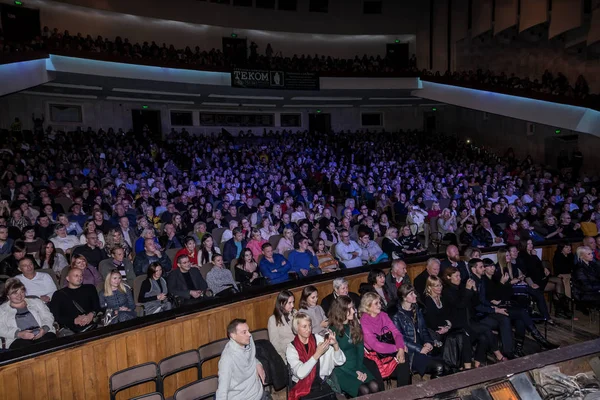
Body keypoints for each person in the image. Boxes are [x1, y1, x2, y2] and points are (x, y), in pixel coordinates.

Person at [441, 267, 507, 364]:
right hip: (458, 323)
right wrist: (468, 290)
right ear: (448, 277)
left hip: (469, 320)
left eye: (459, 275)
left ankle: (477, 363)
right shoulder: (447, 291)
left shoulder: (461, 287)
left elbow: (475, 303)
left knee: (484, 338)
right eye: (456, 276)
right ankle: (498, 355)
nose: (459, 278)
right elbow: (460, 305)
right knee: (486, 329)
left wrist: (474, 290)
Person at [390, 284, 447, 378]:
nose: (415, 296)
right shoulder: (396, 315)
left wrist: (428, 342)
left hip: (422, 346)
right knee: (439, 367)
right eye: (411, 294)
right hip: (411, 352)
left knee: (446, 364)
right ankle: (438, 391)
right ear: (404, 297)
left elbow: (424, 329)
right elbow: (400, 338)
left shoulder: (416, 309)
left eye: (414, 293)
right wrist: (419, 349)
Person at [286, 312, 346, 400]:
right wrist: (317, 355)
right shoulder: (291, 348)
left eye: (309, 326)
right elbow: (300, 374)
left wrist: (336, 344)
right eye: (304, 326)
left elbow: (340, 361)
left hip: (320, 383)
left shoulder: (318, 339)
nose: (308, 329)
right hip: (302, 385)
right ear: (296, 328)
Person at [328, 295, 380, 396]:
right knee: (364, 390)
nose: (353, 311)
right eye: (349, 309)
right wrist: (355, 373)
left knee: (374, 385)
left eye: (353, 307)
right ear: (340, 311)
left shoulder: (355, 325)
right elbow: (334, 360)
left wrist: (359, 369)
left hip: (357, 365)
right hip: (342, 370)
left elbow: (360, 350)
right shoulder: (333, 331)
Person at [359, 292, 411, 388]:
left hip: (389, 350)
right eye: (376, 303)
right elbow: (375, 345)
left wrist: (400, 348)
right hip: (374, 355)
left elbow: (397, 333)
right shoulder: (364, 321)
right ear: (367, 306)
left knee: (405, 357)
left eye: (380, 302)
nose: (380, 305)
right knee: (401, 354)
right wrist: (398, 348)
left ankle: (404, 391)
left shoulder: (383, 315)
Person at [422, 276, 474, 370]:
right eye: (436, 286)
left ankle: (467, 367)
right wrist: (447, 325)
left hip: (445, 329)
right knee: (458, 337)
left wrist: (448, 325)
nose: (440, 288)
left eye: (440, 285)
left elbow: (449, 316)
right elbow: (432, 322)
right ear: (430, 287)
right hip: (436, 333)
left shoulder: (441, 298)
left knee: (463, 335)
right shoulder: (428, 301)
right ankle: (460, 367)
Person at [216, 318, 265, 400]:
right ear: (233, 335)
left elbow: (251, 357)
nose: (249, 334)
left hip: (257, 393)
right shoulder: (227, 359)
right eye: (244, 332)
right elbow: (222, 390)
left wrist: (258, 363)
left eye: (248, 331)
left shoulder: (249, 340)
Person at [0, 279, 56, 349]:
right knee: (25, 347)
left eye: (22, 292)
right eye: (15, 293)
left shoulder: (36, 302)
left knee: (48, 343)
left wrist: (44, 329)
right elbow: (1, 328)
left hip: (42, 333)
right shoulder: (2, 309)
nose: (19, 296)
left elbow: (48, 316)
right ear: (8, 296)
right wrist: (19, 334)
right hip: (17, 339)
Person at [49, 268, 102, 333]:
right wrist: (74, 320)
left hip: (92, 324)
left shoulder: (90, 288)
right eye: (76, 275)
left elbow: (97, 307)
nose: (80, 278)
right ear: (68, 278)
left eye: (81, 275)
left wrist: (91, 315)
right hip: (70, 329)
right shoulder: (58, 294)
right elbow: (55, 316)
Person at [268, 290, 297, 362]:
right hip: (286, 354)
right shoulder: (273, 320)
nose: (292, 305)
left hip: (300, 348)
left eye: (293, 302)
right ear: (281, 303)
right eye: (289, 303)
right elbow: (275, 344)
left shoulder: (295, 313)